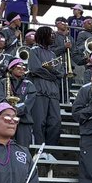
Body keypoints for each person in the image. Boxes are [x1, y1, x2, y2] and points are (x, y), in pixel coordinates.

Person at [27, 25, 63, 161]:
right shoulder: (34, 50)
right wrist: (52, 74)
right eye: (51, 34)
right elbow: (35, 69)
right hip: (39, 91)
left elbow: (59, 71)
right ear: (43, 35)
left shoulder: (53, 54)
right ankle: (39, 150)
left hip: (53, 93)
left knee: (55, 122)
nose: (53, 37)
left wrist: (50, 72)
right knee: (39, 122)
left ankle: (50, 151)